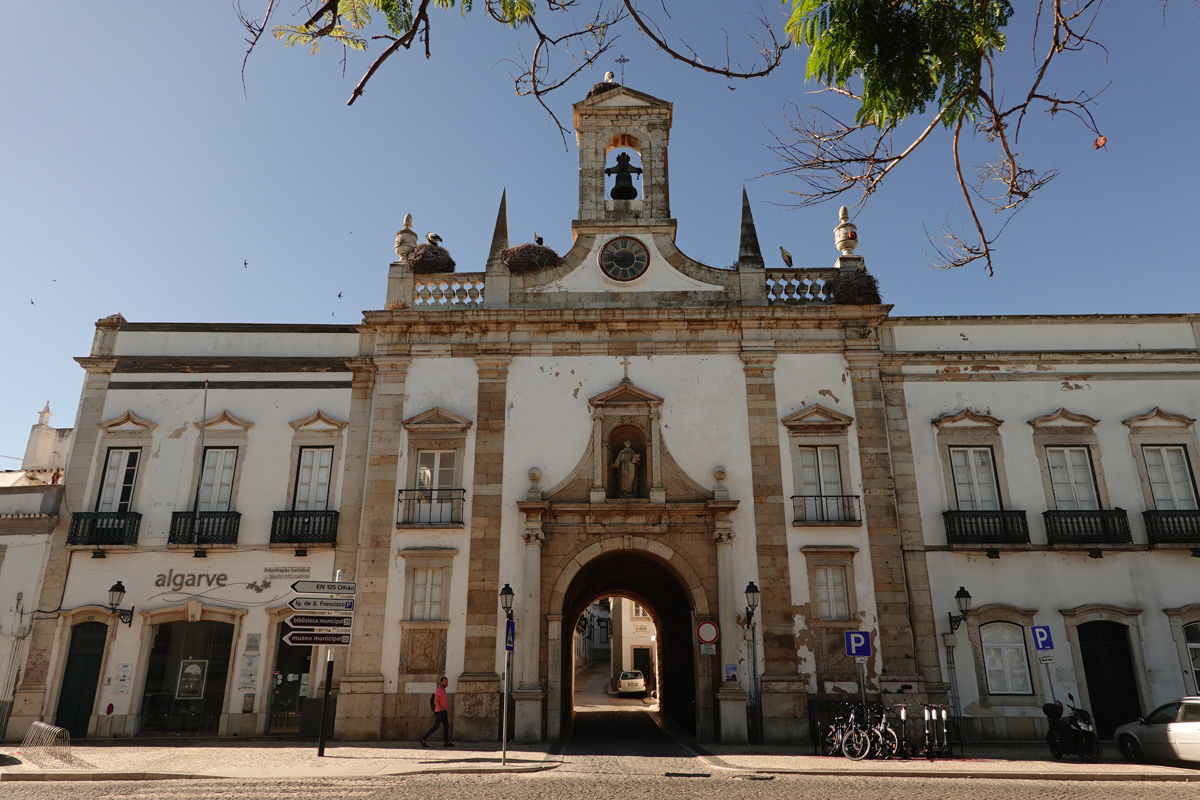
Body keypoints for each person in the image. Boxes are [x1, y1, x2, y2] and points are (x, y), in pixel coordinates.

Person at [420, 676, 453, 747]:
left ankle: (446, 742)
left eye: (447, 682)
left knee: (446, 726)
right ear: (441, 682)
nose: (446, 683)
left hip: (443, 711)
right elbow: (435, 701)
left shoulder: (443, 690)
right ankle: (423, 739)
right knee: (436, 727)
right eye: (445, 682)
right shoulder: (439, 690)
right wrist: (441, 709)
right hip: (439, 712)